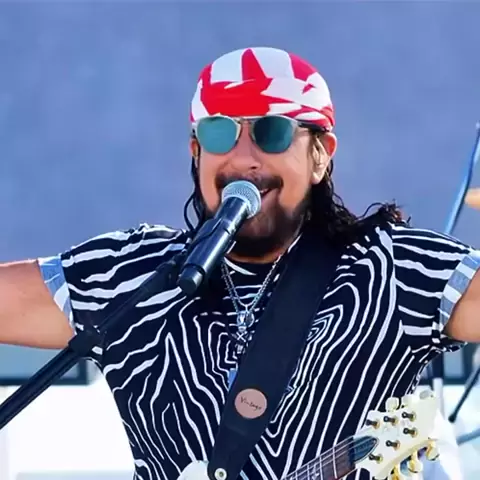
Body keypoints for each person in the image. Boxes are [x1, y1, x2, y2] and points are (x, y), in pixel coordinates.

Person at [0, 46, 478, 480]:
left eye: (272, 132)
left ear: (320, 156)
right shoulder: (131, 274)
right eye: (220, 132)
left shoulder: (392, 269)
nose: (245, 157)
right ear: (196, 152)